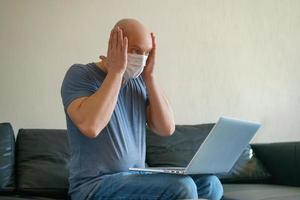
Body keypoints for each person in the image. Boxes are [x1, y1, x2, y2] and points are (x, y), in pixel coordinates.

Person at [61, 18, 223, 200]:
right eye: (136, 51)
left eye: (146, 53)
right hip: (94, 185)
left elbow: (166, 128)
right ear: (115, 43)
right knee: (182, 188)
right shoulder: (80, 74)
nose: (142, 58)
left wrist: (150, 76)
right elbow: (91, 125)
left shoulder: (138, 81)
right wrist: (116, 72)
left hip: (138, 177)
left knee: (211, 185)